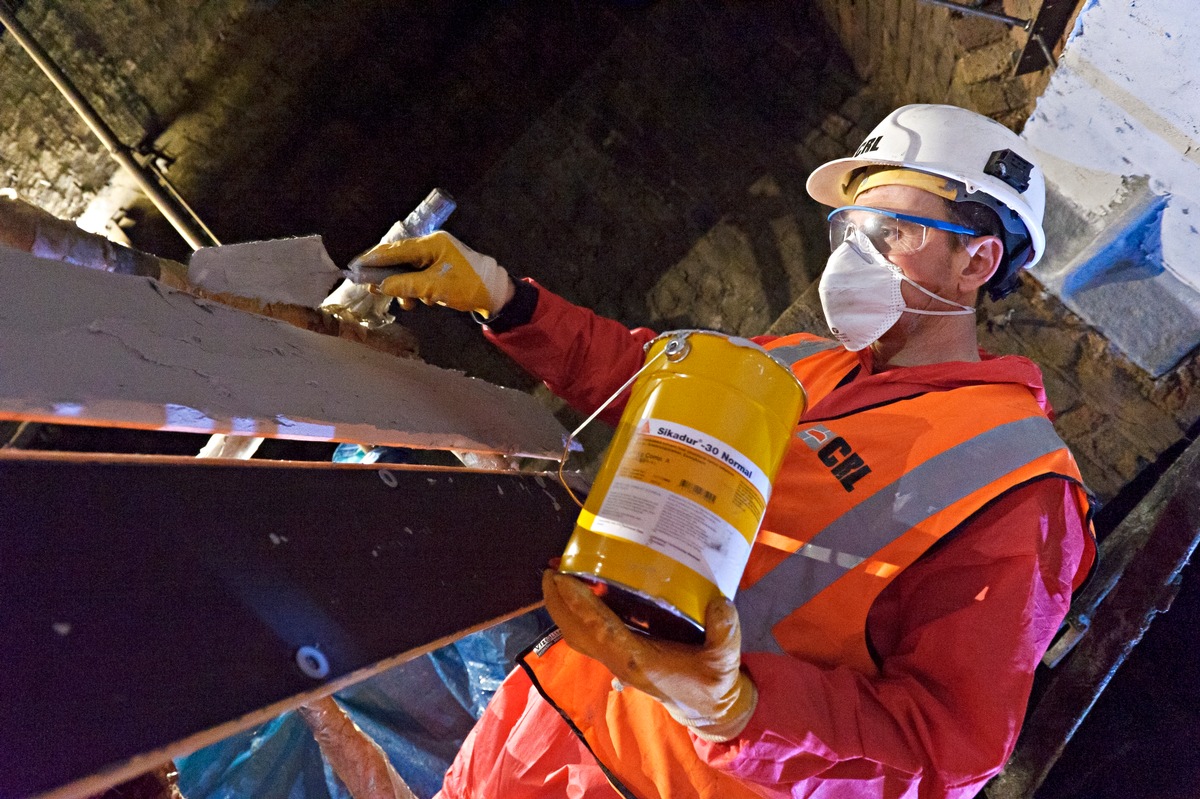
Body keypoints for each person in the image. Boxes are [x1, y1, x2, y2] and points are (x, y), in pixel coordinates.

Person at [351, 104, 1097, 799]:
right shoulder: (805, 361)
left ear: (976, 262)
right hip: (544, 722)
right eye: (849, 230)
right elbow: (654, 379)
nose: (851, 257)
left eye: (890, 232)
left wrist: (744, 710)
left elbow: (949, 746)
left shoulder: (1018, 481)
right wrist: (507, 299)